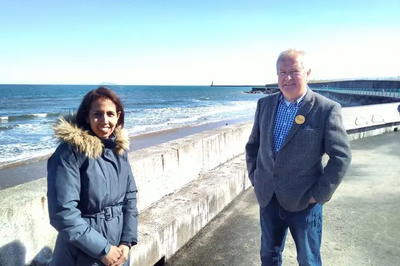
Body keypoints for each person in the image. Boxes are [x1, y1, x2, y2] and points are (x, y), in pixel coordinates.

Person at [245, 49, 351, 266]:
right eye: (282, 72)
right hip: (268, 197)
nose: (288, 78)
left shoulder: (326, 109)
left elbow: (341, 156)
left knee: (308, 259)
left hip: (305, 201)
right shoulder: (264, 105)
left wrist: (319, 194)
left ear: (308, 73)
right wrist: (256, 179)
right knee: (268, 256)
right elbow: (253, 146)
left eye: (294, 71)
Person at [47, 87, 138, 266]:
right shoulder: (70, 153)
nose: (105, 120)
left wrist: (127, 242)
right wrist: (103, 249)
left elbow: (130, 198)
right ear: (87, 117)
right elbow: (63, 213)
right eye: (97, 114)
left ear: (118, 116)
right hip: (81, 253)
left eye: (110, 114)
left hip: (118, 249)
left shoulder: (119, 150)